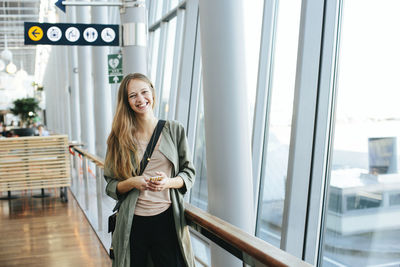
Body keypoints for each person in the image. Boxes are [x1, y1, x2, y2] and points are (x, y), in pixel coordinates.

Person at [104, 73, 196, 267]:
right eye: (133, 95)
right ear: (126, 101)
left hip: (167, 220)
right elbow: (111, 185)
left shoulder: (174, 129)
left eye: (144, 92)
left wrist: (168, 182)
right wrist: (132, 182)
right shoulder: (118, 138)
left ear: (152, 93)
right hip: (132, 223)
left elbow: (188, 173)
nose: (140, 99)